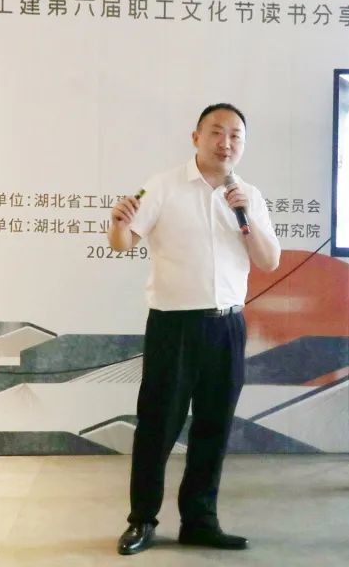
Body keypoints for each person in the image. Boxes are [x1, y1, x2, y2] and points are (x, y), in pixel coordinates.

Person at [109, 103, 281, 553]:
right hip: (175, 327)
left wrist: (245, 218)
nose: (226, 143)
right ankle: (142, 520)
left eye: (236, 135)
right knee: (157, 426)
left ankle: (200, 520)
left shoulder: (248, 196)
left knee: (214, 426)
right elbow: (124, 242)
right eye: (217, 132)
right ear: (196, 137)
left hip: (227, 326)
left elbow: (268, 261)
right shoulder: (163, 186)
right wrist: (118, 224)